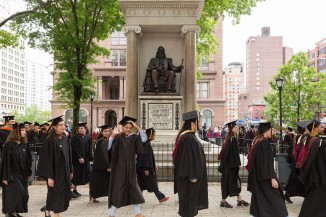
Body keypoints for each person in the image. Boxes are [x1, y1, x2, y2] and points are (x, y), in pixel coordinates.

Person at [107, 116, 147, 217]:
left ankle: (138, 213)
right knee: (118, 190)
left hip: (131, 169)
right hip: (119, 169)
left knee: (134, 189)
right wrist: (113, 135)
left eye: (130, 128)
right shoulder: (117, 137)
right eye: (126, 127)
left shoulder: (133, 137)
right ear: (122, 127)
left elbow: (144, 138)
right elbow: (108, 148)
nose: (128, 129)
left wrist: (137, 127)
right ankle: (111, 214)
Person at [172, 110, 208, 217]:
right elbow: (186, 158)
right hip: (190, 178)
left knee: (189, 202)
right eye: (198, 122)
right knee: (189, 201)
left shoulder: (189, 136)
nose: (199, 125)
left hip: (192, 176)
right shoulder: (187, 137)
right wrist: (191, 175)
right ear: (192, 123)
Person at [248, 122, 288, 217]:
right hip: (265, 177)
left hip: (259, 176)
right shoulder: (263, 143)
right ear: (266, 130)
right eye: (271, 129)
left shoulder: (258, 141)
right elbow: (265, 163)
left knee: (262, 199)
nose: (272, 131)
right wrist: (272, 178)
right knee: (276, 198)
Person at [37, 116, 73, 217]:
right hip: (54, 172)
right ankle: (56, 214)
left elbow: (69, 155)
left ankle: (47, 210)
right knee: (55, 193)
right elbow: (47, 160)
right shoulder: (50, 140)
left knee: (56, 193)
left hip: (64, 171)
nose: (63, 127)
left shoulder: (65, 138)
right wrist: (50, 177)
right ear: (55, 127)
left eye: (64, 125)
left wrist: (70, 170)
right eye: (60, 125)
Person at [0, 123, 32, 217]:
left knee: (24, 195)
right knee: (19, 193)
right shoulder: (8, 145)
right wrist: (5, 176)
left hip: (22, 174)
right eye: (22, 130)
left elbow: (29, 158)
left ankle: (14, 212)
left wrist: (29, 171)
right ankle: (10, 212)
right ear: (16, 132)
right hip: (12, 174)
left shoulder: (24, 144)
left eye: (24, 130)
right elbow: (5, 161)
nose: (24, 132)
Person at [297, 119, 326, 217]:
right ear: (316, 129)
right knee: (313, 201)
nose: (323, 128)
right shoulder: (319, 142)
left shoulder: (308, 139)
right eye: (321, 127)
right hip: (318, 176)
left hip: (311, 175)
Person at [218, 120, 249, 208]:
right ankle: (223, 201)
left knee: (234, 182)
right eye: (235, 127)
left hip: (230, 166)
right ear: (231, 128)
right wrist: (238, 164)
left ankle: (239, 199)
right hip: (230, 166)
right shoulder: (232, 139)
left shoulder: (228, 138)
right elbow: (234, 154)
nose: (237, 128)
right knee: (230, 183)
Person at [136, 128, 169, 203]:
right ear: (150, 135)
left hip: (146, 167)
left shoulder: (147, 143)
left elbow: (149, 157)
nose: (155, 135)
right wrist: (146, 169)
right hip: (146, 167)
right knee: (152, 182)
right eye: (154, 134)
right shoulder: (146, 144)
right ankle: (161, 197)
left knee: (142, 183)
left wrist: (154, 165)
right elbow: (144, 157)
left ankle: (137, 198)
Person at [283, 122, 306, 203]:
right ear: (304, 130)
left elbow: (291, 149)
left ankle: (288, 194)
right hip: (299, 162)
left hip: (294, 161)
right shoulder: (304, 138)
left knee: (295, 179)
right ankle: (287, 194)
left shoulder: (295, 138)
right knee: (298, 179)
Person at [89, 125, 112, 203]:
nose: (107, 133)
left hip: (105, 165)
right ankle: (93, 196)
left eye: (108, 131)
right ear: (102, 132)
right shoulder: (100, 141)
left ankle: (109, 196)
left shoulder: (108, 140)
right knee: (97, 182)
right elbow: (101, 155)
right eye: (105, 131)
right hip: (100, 166)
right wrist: (107, 166)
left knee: (106, 181)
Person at [70, 122, 93, 197]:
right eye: (79, 128)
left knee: (89, 174)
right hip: (76, 161)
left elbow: (90, 149)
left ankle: (91, 191)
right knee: (76, 175)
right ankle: (74, 190)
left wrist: (91, 158)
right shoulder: (74, 138)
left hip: (86, 160)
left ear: (85, 129)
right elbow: (74, 149)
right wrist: (79, 157)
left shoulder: (88, 137)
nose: (80, 129)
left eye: (82, 128)